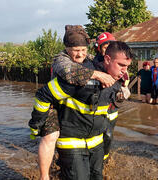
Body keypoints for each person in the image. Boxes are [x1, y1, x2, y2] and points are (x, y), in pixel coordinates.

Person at [29, 41, 133, 180]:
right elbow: (44, 95)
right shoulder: (80, 77)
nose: (124, 71)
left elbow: (109, 113)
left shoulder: (117, 80)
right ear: (107, 59)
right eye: (121, 65)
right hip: (72, 142)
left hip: (96, 143)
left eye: (127, 67)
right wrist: (37, 125)